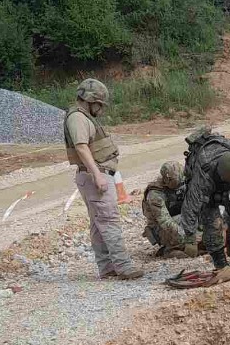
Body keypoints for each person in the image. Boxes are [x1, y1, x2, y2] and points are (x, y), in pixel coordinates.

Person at [63, 78, 143, 280]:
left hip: (92, 175)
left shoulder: (82, 117)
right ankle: (123, 266)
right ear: (91, 100)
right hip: (94, 176)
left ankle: (107, 267)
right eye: (100, 104)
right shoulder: (78, 118)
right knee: (108, 221)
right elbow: (81, 146)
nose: (101, 109)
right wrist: (97, 175)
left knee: (99, 224)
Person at [180, 128, 230, 269]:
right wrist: (190, 239)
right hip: (209, 184)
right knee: (213, 223)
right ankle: (219, 260)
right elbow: (190, 208)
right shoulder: (203, 175)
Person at [142, 161, 189, 258]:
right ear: (167, 180)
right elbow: (165, 221)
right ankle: (170, 249)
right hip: (161, 229)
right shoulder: (155, 194)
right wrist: (188, 239)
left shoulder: (183, 182)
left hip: (178, 221)